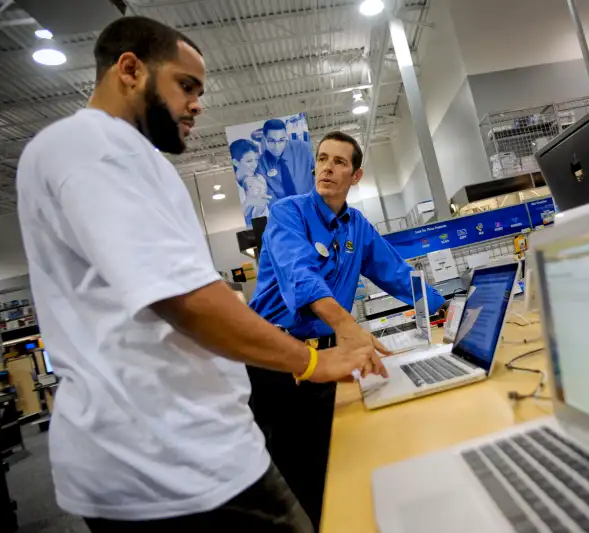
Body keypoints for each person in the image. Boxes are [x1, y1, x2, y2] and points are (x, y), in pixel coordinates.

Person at [15, 17, 383, 533]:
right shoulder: (92, 148)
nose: (197, 104)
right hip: (169, 462)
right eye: (185, 86)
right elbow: (186, 299)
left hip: (187, 447)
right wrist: (309, 363)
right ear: (130, 70)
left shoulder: (132, 159)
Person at [248, 130, 446, 530]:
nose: (327, 168)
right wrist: (346, 324)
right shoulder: (288, 213)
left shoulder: (356, 226)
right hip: (277, 362)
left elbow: (396, 273)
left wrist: (448, 308)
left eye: (339, 162)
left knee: (339, 458)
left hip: (328, 360)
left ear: (355, 176)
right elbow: (299, 275)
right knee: (305, 480)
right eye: (322, 159)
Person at [257, 118, 315, 201]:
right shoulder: (261, 165)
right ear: (264, 139)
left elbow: (319, 170)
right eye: (271, 141)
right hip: (286, 209)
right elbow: (269, 197)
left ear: (286, 137)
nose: (277, 147)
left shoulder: (302, 148)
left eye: (281, 140)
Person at [230, 138, 269, 226]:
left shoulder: (260, 180)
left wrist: (259, 209)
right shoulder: (230, 186)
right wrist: (247, 203)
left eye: (256, 160)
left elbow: (259, 216)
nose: (254, 165)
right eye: (249, 161)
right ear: (236, 162)